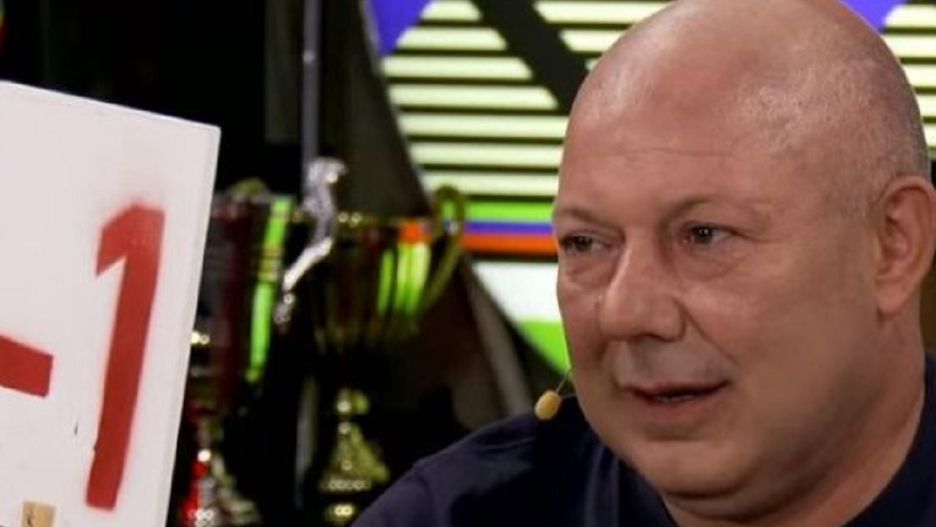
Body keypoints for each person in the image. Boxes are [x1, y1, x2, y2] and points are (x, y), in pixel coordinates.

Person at [354, 0, 936, 525]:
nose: (625, 313)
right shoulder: (453, 514)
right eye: (586, 243)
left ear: (894, 245)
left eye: (704, 236)